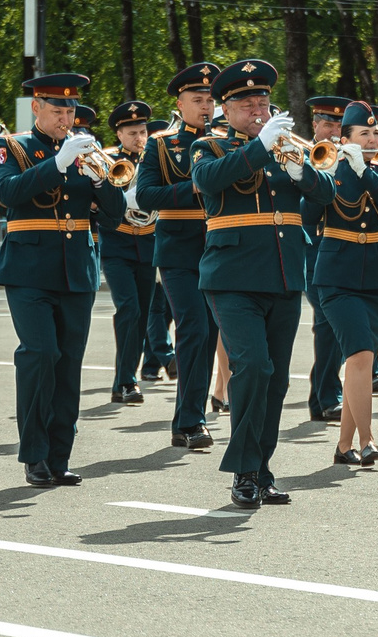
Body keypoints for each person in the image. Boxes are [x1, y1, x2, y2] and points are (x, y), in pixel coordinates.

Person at [188, 58, 332, 507]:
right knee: (253, 367)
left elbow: (326, 196)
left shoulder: (289, 147)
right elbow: (206, 180)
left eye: (264, 102)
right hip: (231, 278)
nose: (258, 110)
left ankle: (261, 470)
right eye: (247, 103)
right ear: (225, 109)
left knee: (276, 381)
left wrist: (301, 172)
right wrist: (259, 148)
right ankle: (244, 470)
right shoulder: (209, 146)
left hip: (284, 275)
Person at [0, 73, 127, 487]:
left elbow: (115, 215)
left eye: (70, 111)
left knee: (68, 365)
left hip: (77, 270)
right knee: (40, 354)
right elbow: (9, 193)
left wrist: (101, 179)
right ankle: (33, 454)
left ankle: (58, 456)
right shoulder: (11, 146)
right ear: (36, 108)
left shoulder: (88, 152)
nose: (65, 119)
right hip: (29, 270)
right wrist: (58, 163)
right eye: (57, 111)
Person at [310, 101, 378, 467]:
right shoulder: (329, 171)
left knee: (358, 363)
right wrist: (328, 172)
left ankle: (343, 444)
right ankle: (367, 440)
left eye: (375, 132)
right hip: (337, 276)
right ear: (345, 138)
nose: (373, 137)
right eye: (364, 133)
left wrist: (362, 169)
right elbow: (307, 217)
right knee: (361, 355)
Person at [135, 62, 221, 451]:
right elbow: (146, 195)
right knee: (194, 329)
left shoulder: (226, 141)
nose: (206, 107)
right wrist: (196, 188)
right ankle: (190, 420)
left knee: (212, 334)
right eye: (197, 99)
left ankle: (193, 414)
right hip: (178, 248)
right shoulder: (161, 143)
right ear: (180, 103)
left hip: (219, 246)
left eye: (210, 100)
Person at [99, 98, 160, 407]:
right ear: (119, 134)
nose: (140, 138)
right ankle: (126, 380)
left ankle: (124, 379)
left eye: (143, 131)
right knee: (129, 309)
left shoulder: (154, 158)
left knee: (143, 315)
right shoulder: (110, 159)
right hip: (117, 243)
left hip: (148, 243)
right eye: (133, 132)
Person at [302, 94, 352, 422]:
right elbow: (304, 209)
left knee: (331, 325)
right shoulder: (301, 155)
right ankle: (328, 395)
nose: (333, 130)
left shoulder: (349, 157)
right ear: (315, 125)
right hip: (311, 246)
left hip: (341, 247)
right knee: (327, 321)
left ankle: (318, 397)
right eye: (328, 123)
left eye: (339, 124)